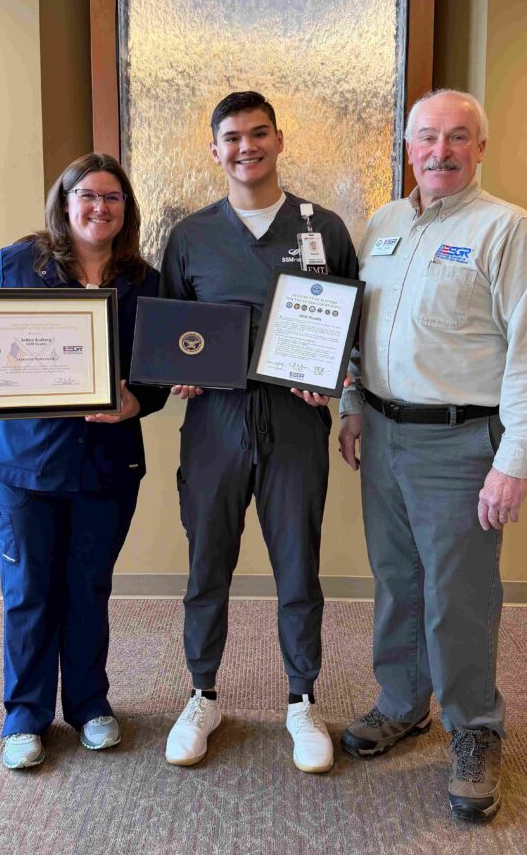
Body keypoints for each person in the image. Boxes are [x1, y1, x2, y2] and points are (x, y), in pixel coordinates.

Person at [338, 89, 527, 822]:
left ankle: (474, 727)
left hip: (463, 443)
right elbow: (358, 332)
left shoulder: (508, 231)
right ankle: (403, 705)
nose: (441, 151)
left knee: (459, 596)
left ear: (480, 149)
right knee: (397, 582)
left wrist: (515, 461)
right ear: (409, 149)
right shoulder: (383, 225)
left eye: (459, 137)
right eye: (428, 137)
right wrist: (350, 406)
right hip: (383, 432)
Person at [0, 153, 167, 770]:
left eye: (113, 198)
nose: (100, 207)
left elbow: (162, 375)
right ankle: (25, 716)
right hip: (24, 466)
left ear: (127, 209)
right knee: (29, 591)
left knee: (89, 588)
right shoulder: (19, 263)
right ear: (64, 204)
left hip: (107, 465)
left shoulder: (145, 281)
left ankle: (91, 705)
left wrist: (134, 403)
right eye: (88, 195)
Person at [159, 91, 358, 773]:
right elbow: (170, 335)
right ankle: (203, 693)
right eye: (232, 137)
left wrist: (335, 381)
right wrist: (177, 373)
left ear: (278, 140)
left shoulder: (322, 227)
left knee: (298, 563)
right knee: (206, 561)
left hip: (295, 418)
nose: (247, 146)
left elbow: (351, 326)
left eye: (259, 133)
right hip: (215, 420)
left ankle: (302, 700)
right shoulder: (190, 236)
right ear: (215, 150)